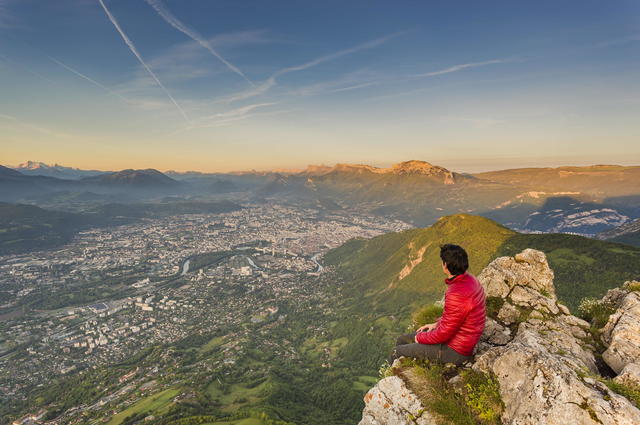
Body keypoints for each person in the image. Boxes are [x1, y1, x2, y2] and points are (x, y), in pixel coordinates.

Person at [388, 244, 486, 366]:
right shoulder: (469, 279)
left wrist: (419, 338)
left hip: (455, 350)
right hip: (461, 340)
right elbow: (457, 317)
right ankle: (409, 365)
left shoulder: (456, 293)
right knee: (401, 340)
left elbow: (443, 335)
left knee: (396, 352)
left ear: (445, 265)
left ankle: (397, 375)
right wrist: (436, 324)